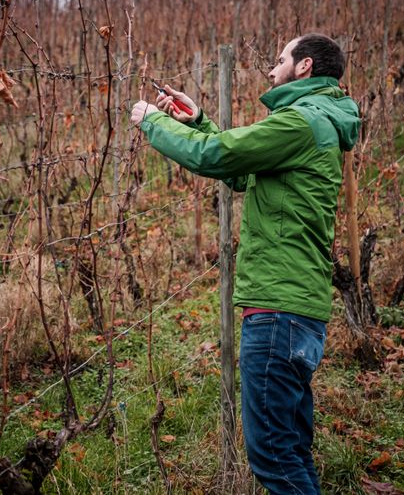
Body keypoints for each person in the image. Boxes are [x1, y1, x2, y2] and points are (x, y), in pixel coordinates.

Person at [130, 33, 360, 494]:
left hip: (278, 312)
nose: (271, 70)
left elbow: (218, 156)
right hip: (297, 309)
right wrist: (196, 120)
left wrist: (153, 123)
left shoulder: (299, 123)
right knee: (290, 448)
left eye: (280, 60)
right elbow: (241, 167)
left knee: (274, 456)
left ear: (305, 67)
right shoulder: (316, 122)